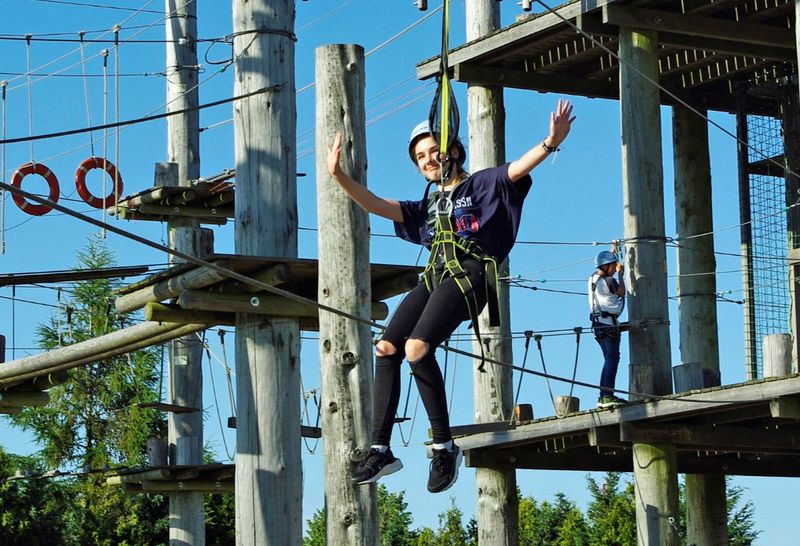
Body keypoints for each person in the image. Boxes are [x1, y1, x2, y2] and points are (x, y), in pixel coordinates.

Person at [326, 99, 574, 493]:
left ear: (454, 151)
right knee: (387, 348)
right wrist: (338, 175)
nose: (428, 160)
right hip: (436, 275)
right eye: (420, 157)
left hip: (471, 273)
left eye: (433, 152)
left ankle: (444, 447)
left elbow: (517, 169)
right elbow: (374, 204)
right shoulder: (425, 205)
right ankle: (380, 449)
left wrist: (550, 142)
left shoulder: (481, 185)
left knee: (417, 348)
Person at [588, 250, 627, 408]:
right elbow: (622, 292)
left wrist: (612, 252)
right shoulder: (610, 280)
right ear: (606, 266)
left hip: (597, 325)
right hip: (608, 324)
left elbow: (603, 264)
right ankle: (606, 395)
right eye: (612, 267)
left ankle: (604, 395)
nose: (614, 270)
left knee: (608, 359)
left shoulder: (592, 278)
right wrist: (620, 275)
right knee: (612, 360)